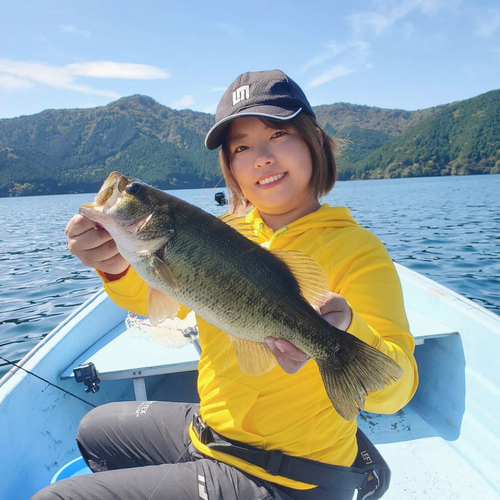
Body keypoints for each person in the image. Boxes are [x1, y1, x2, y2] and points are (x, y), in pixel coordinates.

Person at [33, 70, 418, 500]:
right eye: (242, 147)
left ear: (315, 141)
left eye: (278, 134)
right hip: (213, 433)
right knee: (93, 430)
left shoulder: (359, 250)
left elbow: (394, 394)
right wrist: (115, 266)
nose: (262, 157)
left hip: (286, 475)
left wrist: (345, 329)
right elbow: (154, 299)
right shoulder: (229, 233)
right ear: (230, 166)